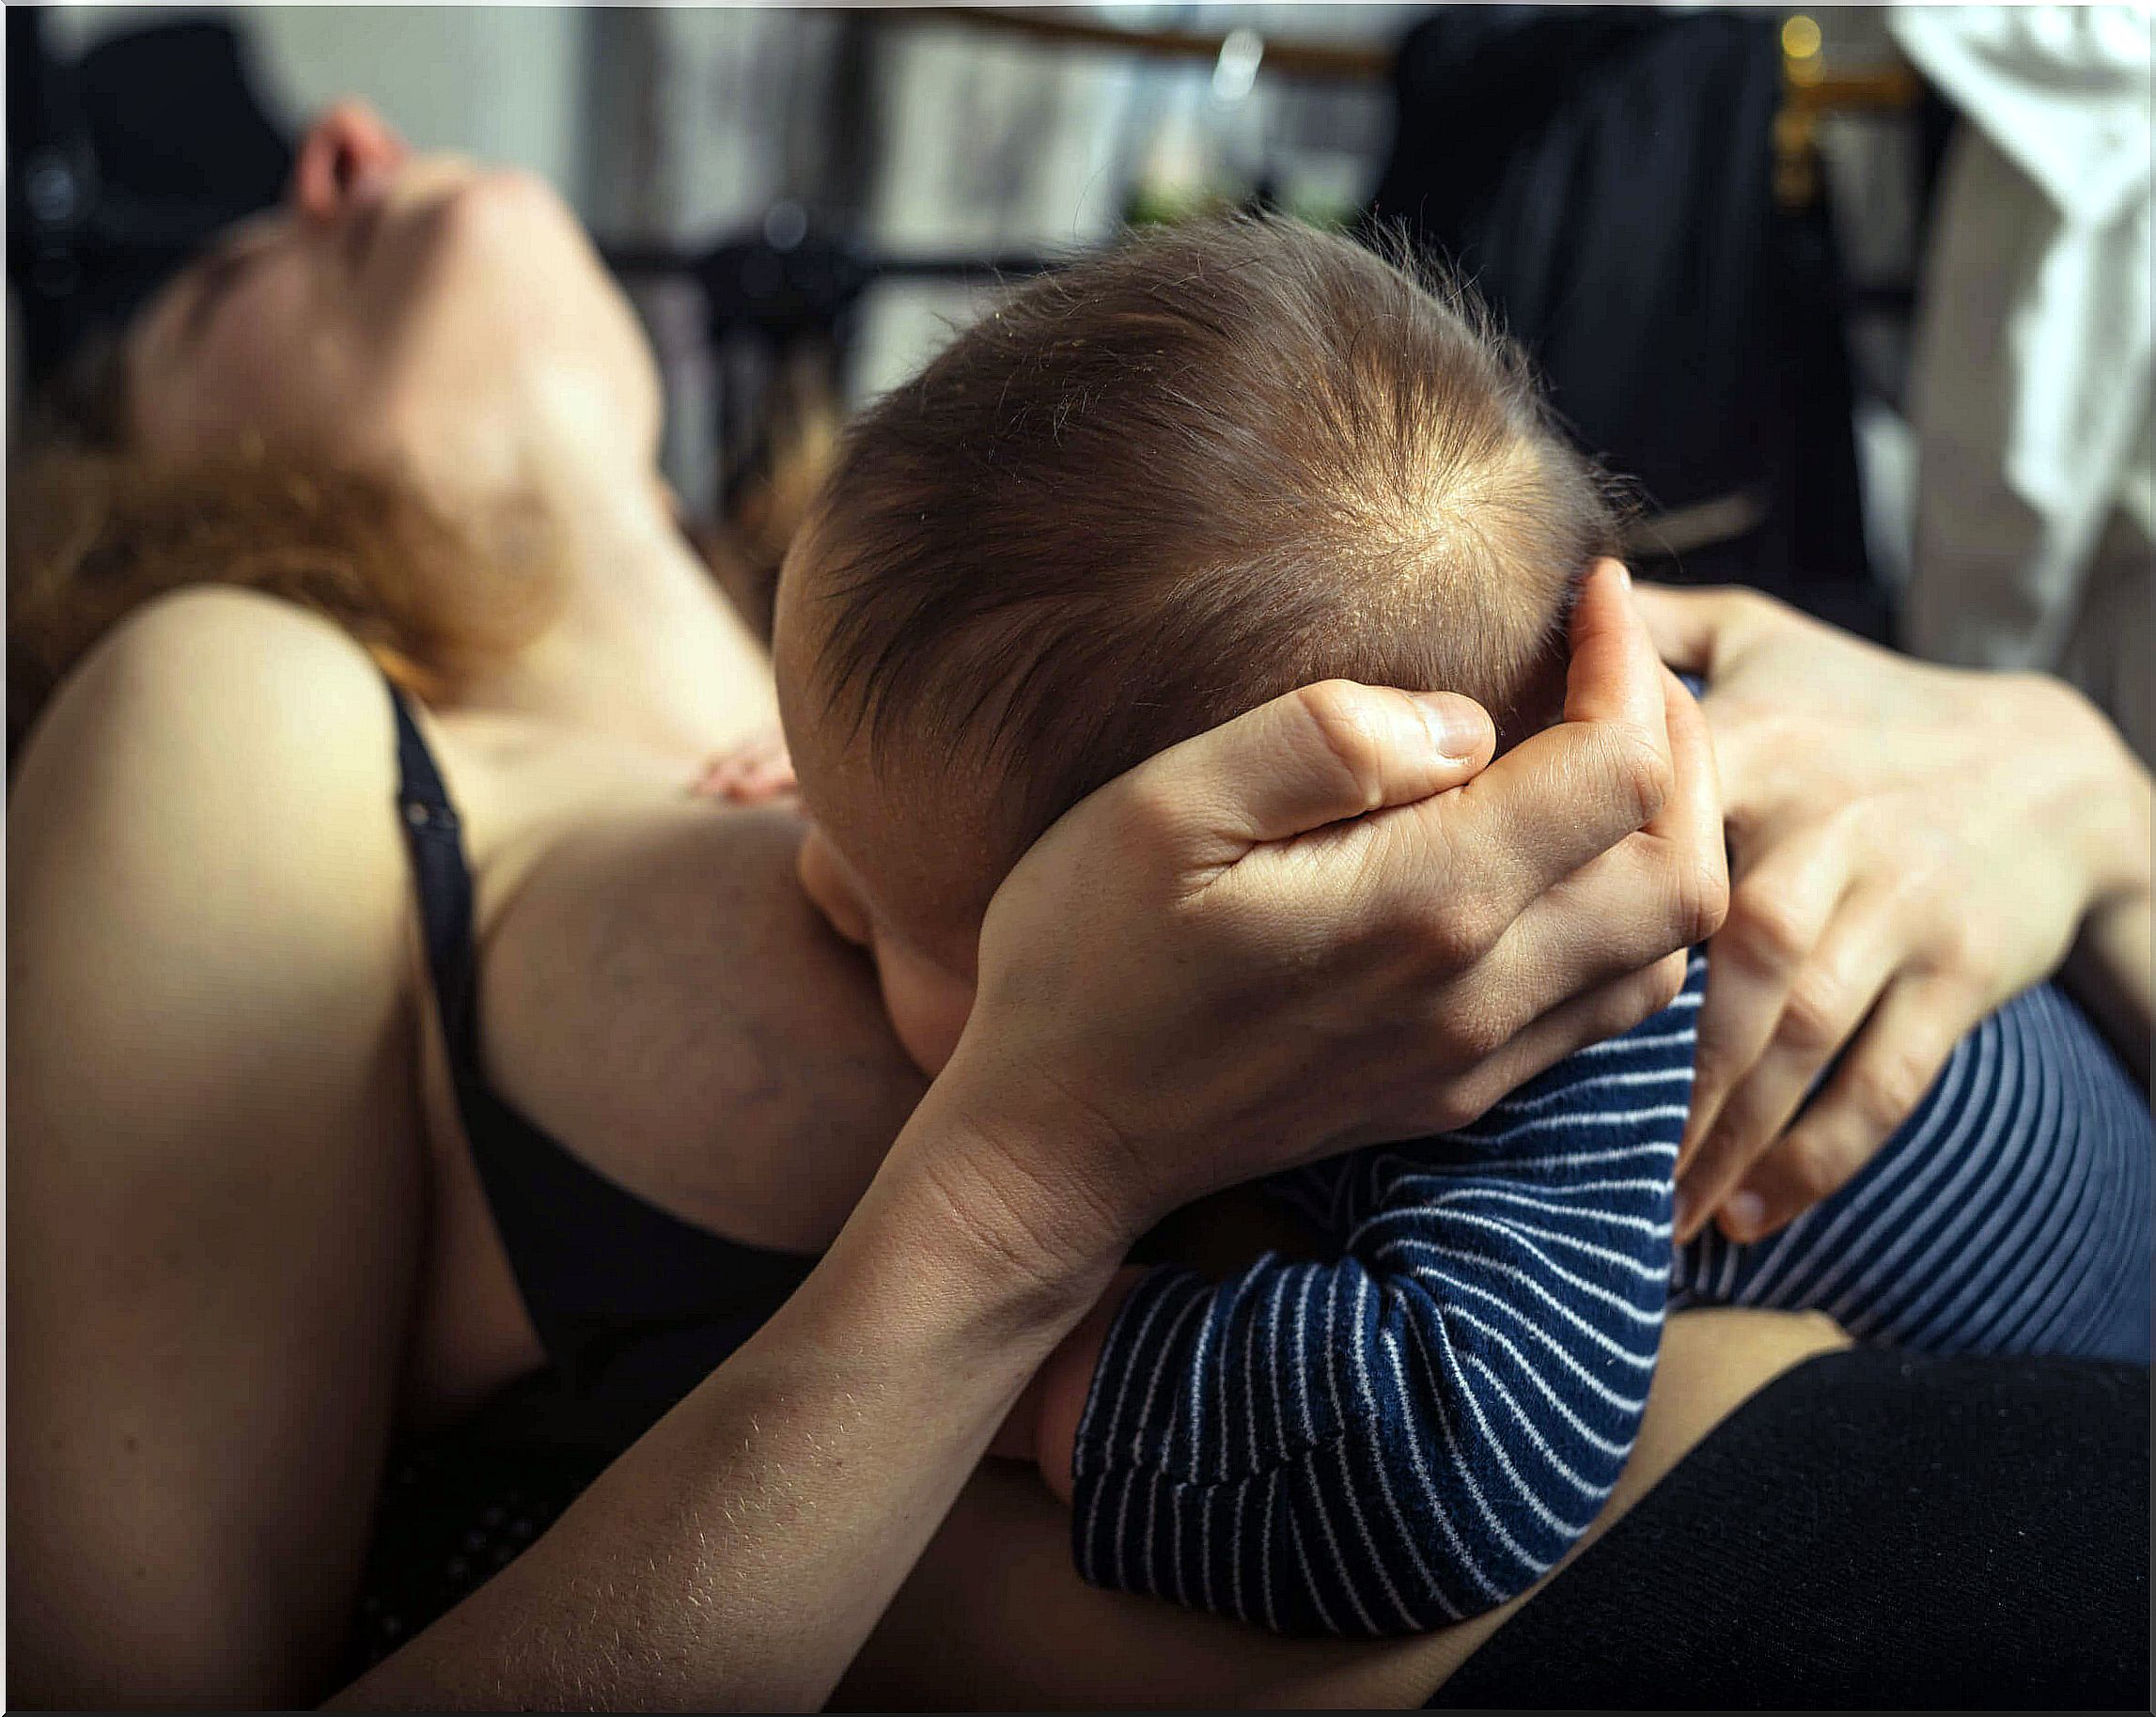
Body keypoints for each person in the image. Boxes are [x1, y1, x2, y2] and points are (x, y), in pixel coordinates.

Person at [6, 102, 2145, 1710]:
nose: (344, 140)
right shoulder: (246, 710)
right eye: (211, 278)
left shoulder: (1126, 578)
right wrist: (1031, 1184)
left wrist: (2087, 799)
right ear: (127, 510)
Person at [766, 213, 2152, 1634]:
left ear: (1299, 921)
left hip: (2097, 1366)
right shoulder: (1485, 696)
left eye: (908, 928)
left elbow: (1447, 1475)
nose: (811, 887)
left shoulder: (1567, 1022)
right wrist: (874, 807)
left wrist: (1035, 1375)